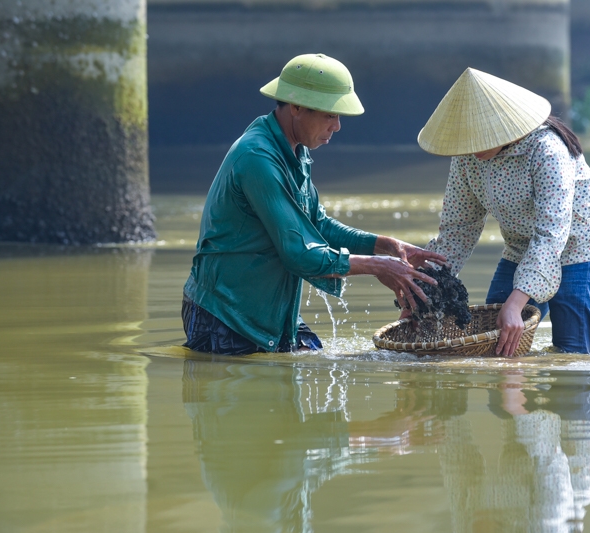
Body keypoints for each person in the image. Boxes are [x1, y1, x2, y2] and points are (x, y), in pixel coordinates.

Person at [182, 53, 445, 355]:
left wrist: (386, 246)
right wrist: (376, 266)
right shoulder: (257, 158)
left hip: (272, 311)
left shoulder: (294, 150)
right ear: (295, 107)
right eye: (329, 115)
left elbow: (317, 225)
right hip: (226, 314)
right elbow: (298, 254)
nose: (337, 126)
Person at [417, 68, 590, 356]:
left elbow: (551, 234)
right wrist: (425, 296)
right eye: (467, 139)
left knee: (573, 354)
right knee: (495, 343)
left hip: (578, 245)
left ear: (501, 127)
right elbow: (458, 229)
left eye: (479, 138)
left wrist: (516, 302)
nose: (473, 149)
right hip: (521, 247)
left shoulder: (546, 149)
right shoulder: (466, 158)